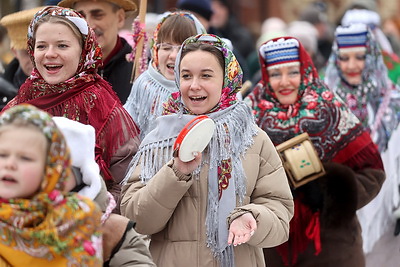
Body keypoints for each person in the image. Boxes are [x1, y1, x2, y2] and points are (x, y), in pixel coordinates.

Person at [120, 33, 294, 266]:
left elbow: (280, 216)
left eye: (206, 76)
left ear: (227, 79)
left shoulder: (253, 139)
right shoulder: (159, 140)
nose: (194, 86)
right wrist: (176, 172)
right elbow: (136, 219)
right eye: (186, 76)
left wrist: (252, 217)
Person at [245, 37, 385, 266]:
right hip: (270, 249)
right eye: (275, 74)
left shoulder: (330, 108)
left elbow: (373, 172)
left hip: (331, 247)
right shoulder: (248, 116)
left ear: (304, 72)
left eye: (292, 72)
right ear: (266, 76)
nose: (285, 82)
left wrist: (329, 194)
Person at [2, 6, 140, 211]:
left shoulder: (105, 108)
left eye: (62, 46)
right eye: (41, 46)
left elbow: (126, 185)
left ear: (83, 49)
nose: (50, 54)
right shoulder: (19, 105)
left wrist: (89, 215)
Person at [324, 23, 400, 254]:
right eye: (344, 58)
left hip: (388, 207)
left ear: (373, 56)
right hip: (341, 205)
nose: (352, 66)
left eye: (360, 57)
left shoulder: (394, 100)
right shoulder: (324, 103)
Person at [0, 104, 103, 266]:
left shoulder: (76, 218)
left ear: (51, 169)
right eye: (2, 155)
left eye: (25, 158)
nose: (10, 164)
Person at [54, 116, 156, 266]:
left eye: (60, 169)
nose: (49, 177)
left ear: (81, 174)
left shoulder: (112, 230)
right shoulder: (11, 220)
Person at [124, 11, 206, 139]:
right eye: (166, 47)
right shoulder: (144, 85)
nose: (173, 55)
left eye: (182, 49)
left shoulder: (205, 89)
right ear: (156, 50)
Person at [58, 0, 138, 103]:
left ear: (120, 18)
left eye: (97, 15)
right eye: (80, 17)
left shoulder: (140, 70)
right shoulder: (61, 69)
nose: (88, 26)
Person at [0, 7, 44, 108]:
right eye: (27, 53)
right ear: (15, 52)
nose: (35, 59)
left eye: (41, 49)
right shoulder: (3, 93)